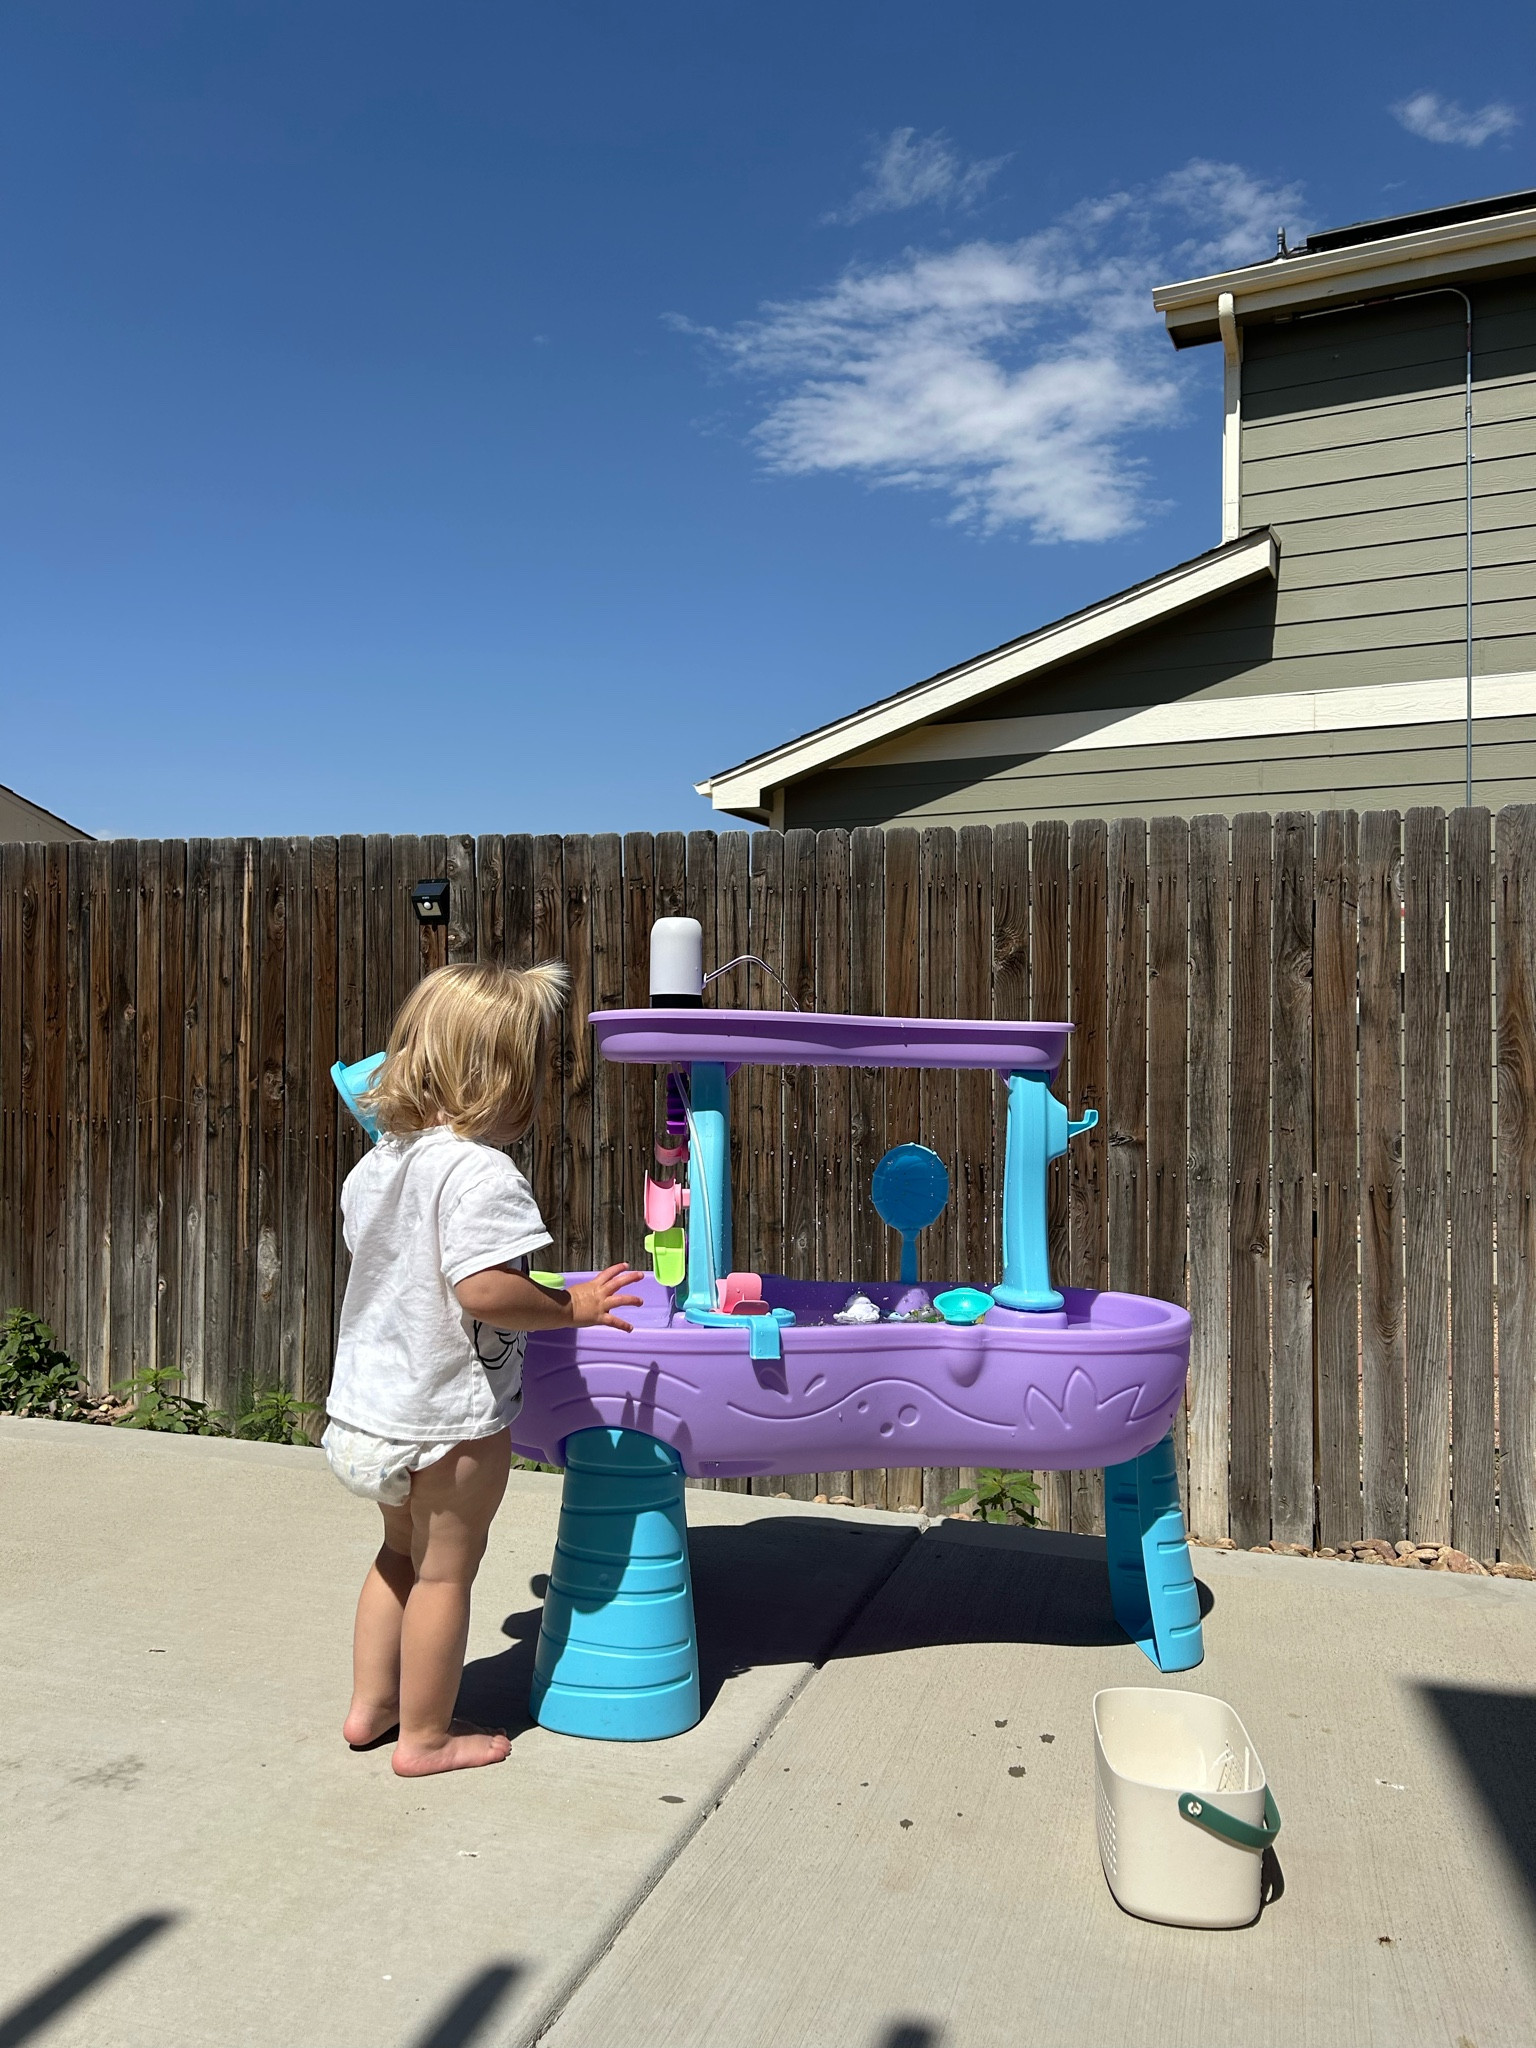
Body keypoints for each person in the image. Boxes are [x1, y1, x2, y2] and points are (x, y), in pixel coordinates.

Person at [322, 960, 643, 1776]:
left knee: (397, 1557)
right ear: (500, 1076)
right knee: (443, 1577)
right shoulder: (478, 1171)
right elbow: (485, 1289)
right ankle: (426, 1739)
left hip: (371, 1415)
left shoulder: (380, 1164)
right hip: (448, 1424)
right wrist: (569, 1308)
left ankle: (374, 1708)